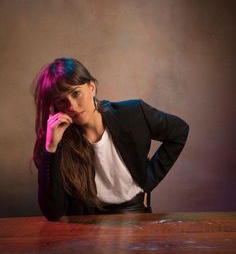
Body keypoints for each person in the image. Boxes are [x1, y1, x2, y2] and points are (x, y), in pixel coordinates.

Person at [32, 57, 189, 221]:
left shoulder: (133, 113)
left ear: (92, 87)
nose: (72, 106)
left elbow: (179, 131)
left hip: (133, 212)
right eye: (62, 101)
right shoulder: (57, 140)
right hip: (84, 222)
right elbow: (53, 212)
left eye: (76, 93)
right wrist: (51, 148)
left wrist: (149, 178)